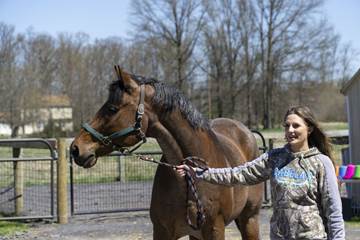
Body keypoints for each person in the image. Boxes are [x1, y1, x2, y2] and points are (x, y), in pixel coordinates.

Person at [176, 106, 345, 240]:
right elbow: (238, 174)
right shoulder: (274, 158)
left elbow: (334, 212)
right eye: (287, 126)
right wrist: (200, 173)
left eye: (296, 125)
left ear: (309, 129)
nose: (290, 130)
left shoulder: (322, 163)